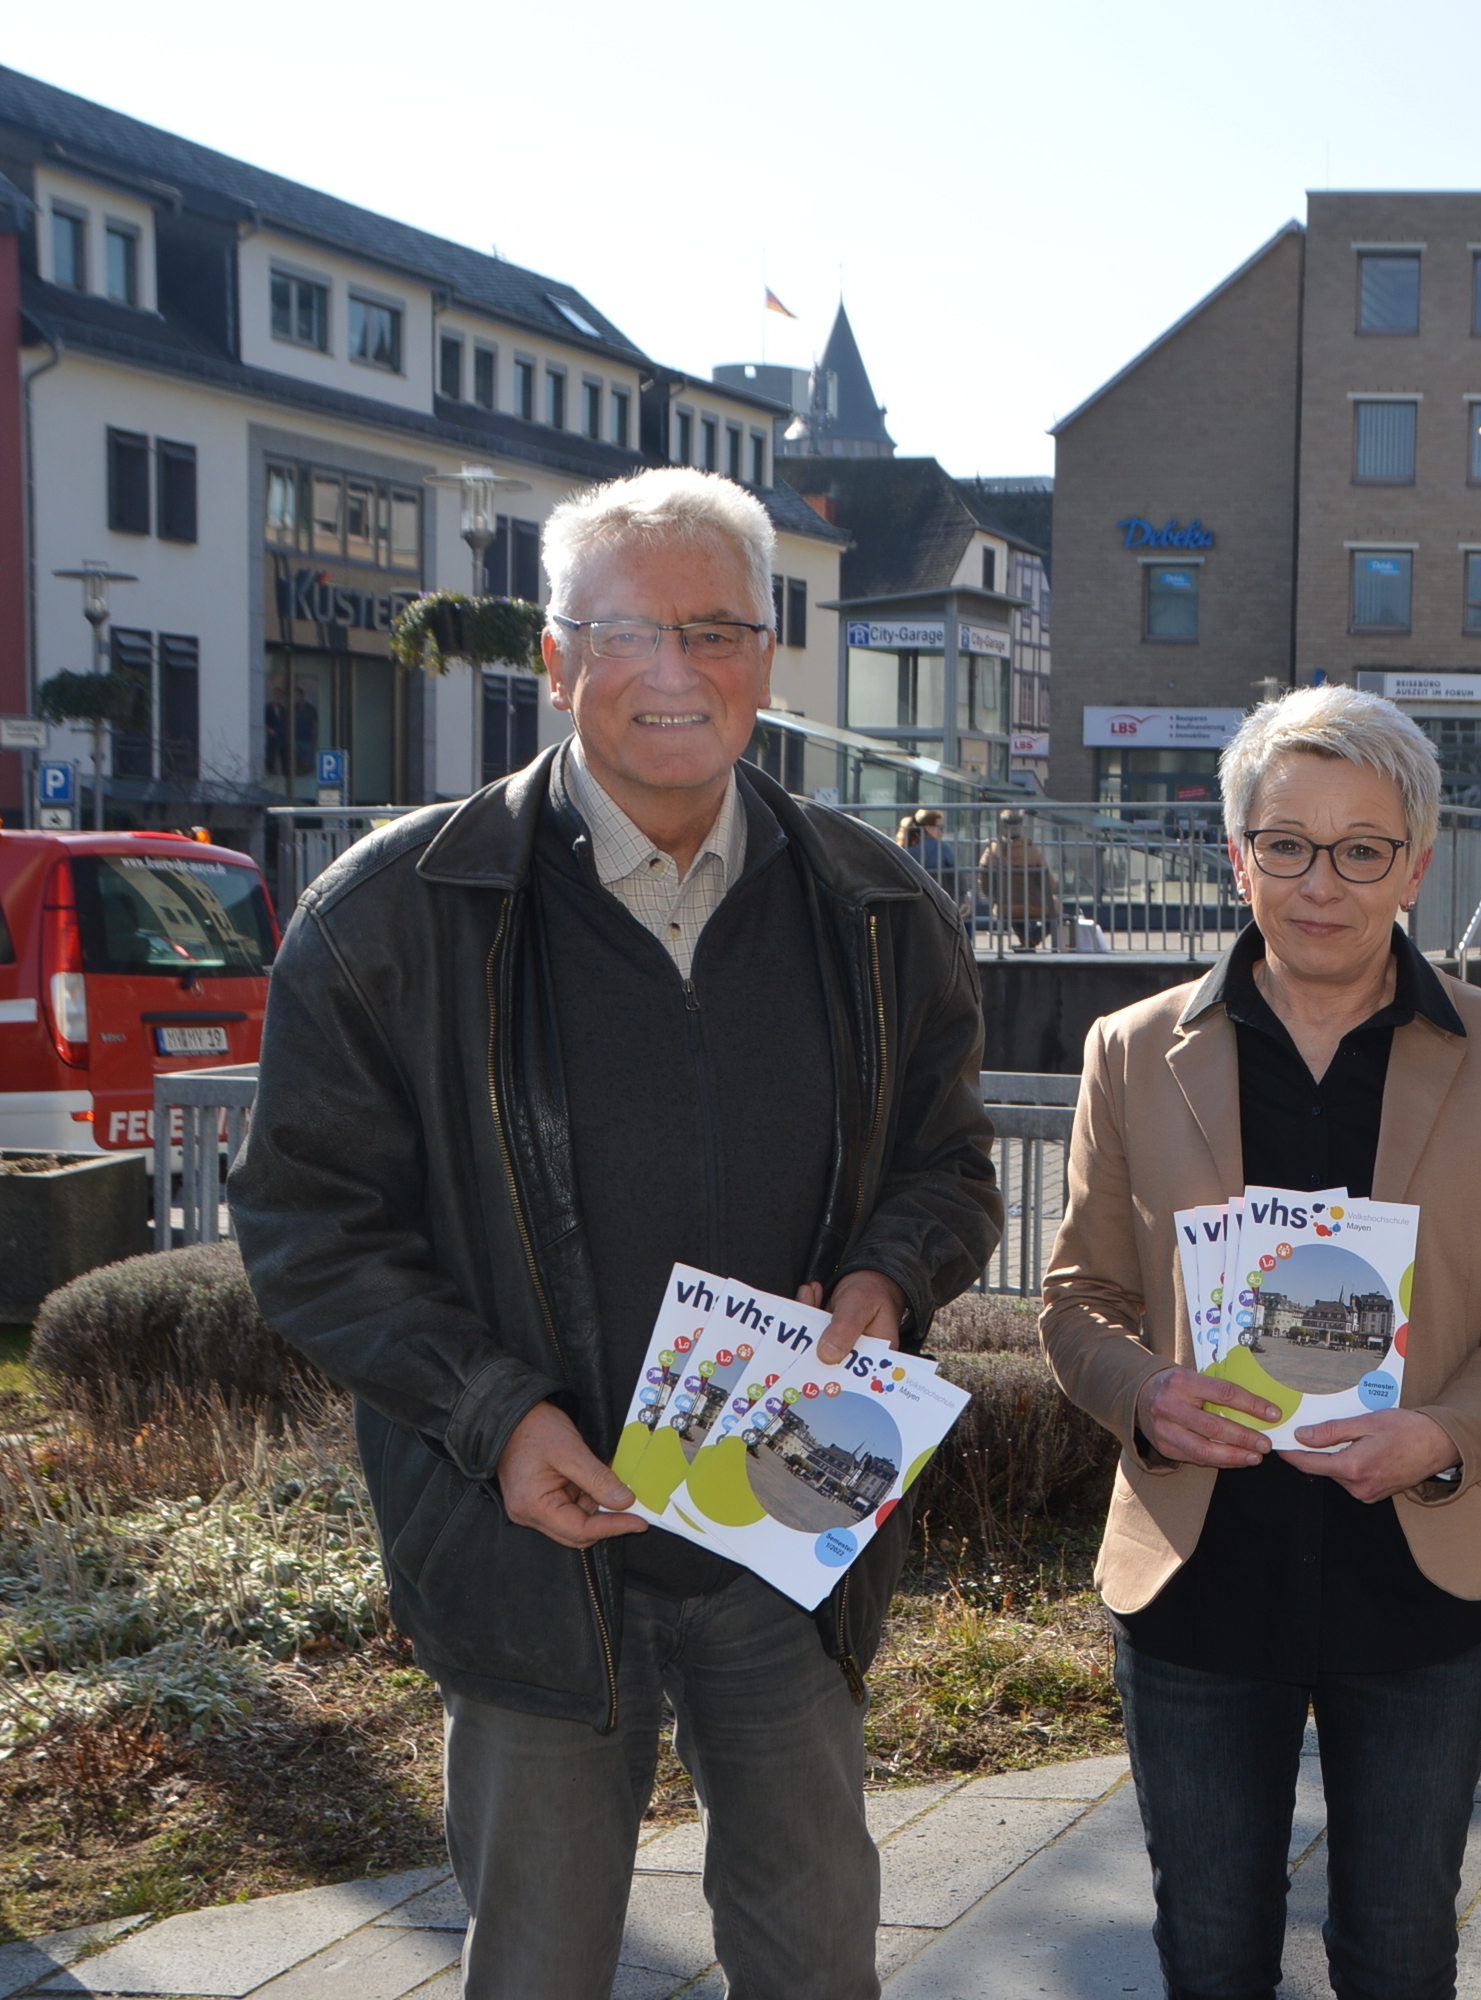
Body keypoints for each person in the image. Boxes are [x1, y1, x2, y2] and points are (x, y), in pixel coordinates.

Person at [230, 468, 1005, 2000]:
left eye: (716, 630)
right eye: (633, 631)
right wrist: (495, 1414)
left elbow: (949, 1168)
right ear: (558, 657)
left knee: (815, 1961)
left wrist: (886, 1275)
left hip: (784, 1530)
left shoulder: (877, 909)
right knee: (537, 1970)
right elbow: (308, 1227)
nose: (677, 671)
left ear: (768, 659)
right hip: (531, 1550)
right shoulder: (392, 913)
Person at [1042, 685, 1481, 2000]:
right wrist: (1146, 1394)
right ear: (1238, 856)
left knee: (1399, 1950)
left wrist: (1443, 1435)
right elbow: (1075, 1299)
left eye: (1361, 849)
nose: (1321, 883)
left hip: (1418, 1574)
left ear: (1414, 862)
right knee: (1212, 1950)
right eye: (1286, 844)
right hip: (1201, 1569)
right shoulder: (1132, 1050)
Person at [981, 805, 1059, 950]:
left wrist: (995, 895)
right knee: (1057, 908)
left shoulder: (992, 852)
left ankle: (1026, 940)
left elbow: (985, 886)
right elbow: (1050, 884)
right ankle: (1034, 939)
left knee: (1009, 903)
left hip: (1007, 907)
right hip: (1036, 905)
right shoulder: (1033, 851)